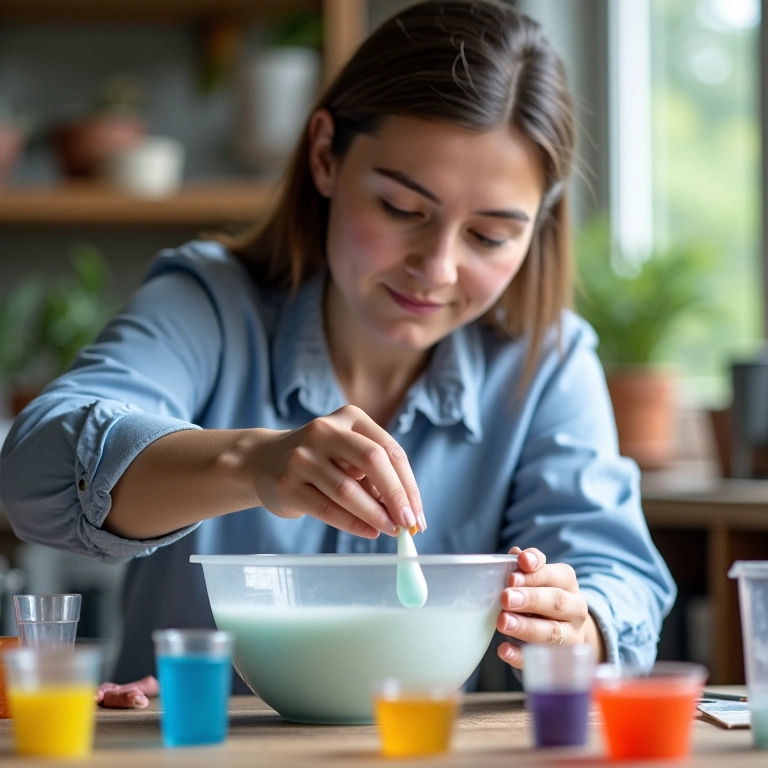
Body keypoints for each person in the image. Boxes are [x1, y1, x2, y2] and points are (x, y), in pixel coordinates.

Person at [0, 0, 675, 700]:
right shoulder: (209, 303)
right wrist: (254, 463)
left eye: (491, 236)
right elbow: (36, 471)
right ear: (326, 155)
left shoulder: (546, 363)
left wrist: (577, 626)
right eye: (402, 210)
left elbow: (614, 576)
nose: (437, 268)